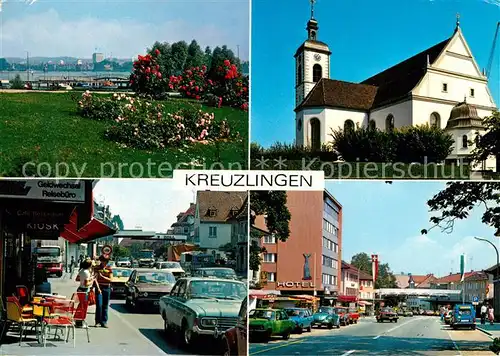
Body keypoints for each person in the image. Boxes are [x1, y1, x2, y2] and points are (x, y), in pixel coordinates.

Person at [94, 254, 113, 328]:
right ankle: (97, 321)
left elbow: (111, 279)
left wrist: (102, 277)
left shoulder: (109, 268)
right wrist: (97, 288)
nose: (104, 262)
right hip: (99, 287)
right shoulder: (97, 267)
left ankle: (104, 321)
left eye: (106, 261)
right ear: (101, 260)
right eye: (103, 261)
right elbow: (95, 278)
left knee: (105, 305)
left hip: (106, 288)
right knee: (99, 304)